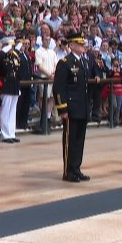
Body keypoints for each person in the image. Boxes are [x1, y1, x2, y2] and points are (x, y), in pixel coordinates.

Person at [53, 31, 91, 183]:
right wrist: (62, 109)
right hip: (71, 108)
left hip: (81, 106)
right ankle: (68, 171)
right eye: (79, 44)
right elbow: (59, 88)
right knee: (70, 140)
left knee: (79, 140)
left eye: (83, 43)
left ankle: (76, 168)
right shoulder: (65, 63)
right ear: (72, 45)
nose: (83, 46)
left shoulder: (84, 62)